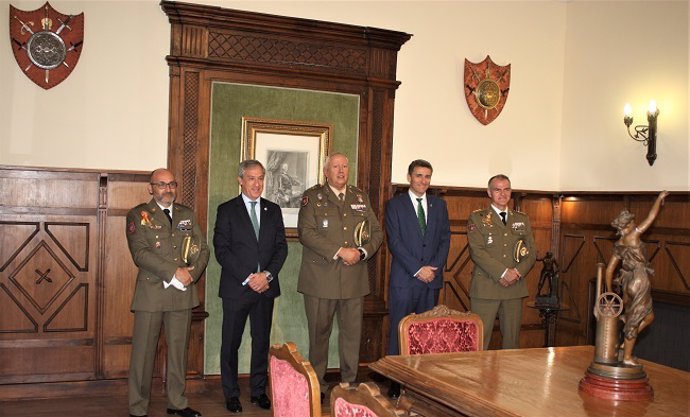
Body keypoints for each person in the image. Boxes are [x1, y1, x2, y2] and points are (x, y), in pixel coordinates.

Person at [297, 152, 384, 398]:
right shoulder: (312, 197)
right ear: (326, 171)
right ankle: (318, 385)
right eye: (335, 166)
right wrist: (339, 251)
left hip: (353, 280)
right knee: (319, 335)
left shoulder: (359, 197)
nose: (341, 170)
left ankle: (350, 383)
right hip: (320, 280)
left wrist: (362, 251)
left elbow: (376, 233)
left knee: (351, 335)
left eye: (345, 166)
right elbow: (306, 232)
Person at [125, 168, 210, 417]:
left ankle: (177, 402)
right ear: (151, 188)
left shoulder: (186, 214)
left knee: (178, 352)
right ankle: (137, 407)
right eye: (161, 184)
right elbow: (140, 253)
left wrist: (191, 274)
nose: (167, 189)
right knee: (142, 355)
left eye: (172, 184)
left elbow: (202, 248)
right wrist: (175, 272)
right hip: (152, 292)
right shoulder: (138, 214)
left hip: (182, 293)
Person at [213, 160, 288, 413]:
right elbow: (221, 250)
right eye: (252, 178)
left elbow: (281, 248)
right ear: (240, 180)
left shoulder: (273, 210)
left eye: (261, 178)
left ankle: (258, 391)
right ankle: (231, 393)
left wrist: (266, 275)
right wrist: (249, 277)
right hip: (237, 288)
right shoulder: (227, 210)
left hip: (265, 288)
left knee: (261, 341)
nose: (257, 183)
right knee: (230, 343)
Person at [384, 159, 450, 398]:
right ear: (409, 177)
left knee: (426, 333)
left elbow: (445, 239)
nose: (423, 181)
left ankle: (422, 384)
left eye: (427, 177)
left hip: (430, 280)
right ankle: (394, 381)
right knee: (399, 331)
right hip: (405, 279)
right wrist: (417, 269)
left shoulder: (439, 205)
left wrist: (433, 267)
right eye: (419, 176)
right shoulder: (395, 205)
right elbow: (395, 242)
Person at [467, 174, 536, 350]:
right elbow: (477, 252)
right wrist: (504, 273)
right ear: (489, 192)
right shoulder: (478, 218)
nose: (502, 193)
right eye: (497, 189)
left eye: (506, 189)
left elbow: (531, 253)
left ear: (511, 192)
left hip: (514, 288)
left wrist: (516, 273)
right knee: (479, 342)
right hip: (486, 288)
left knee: (511, 344)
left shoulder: (522, 219)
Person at [604, 190, 669, 366]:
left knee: (648, 317)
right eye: (632, 221)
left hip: (627, 283)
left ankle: (624, 346)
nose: (635, 222)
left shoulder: (619, 244)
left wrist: (611, 293)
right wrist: (659, 199)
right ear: (628, 225)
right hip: (640, 279)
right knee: (634, 321)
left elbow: (609, 271)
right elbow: (650, 217)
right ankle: (626, 356)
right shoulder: (633, 236)